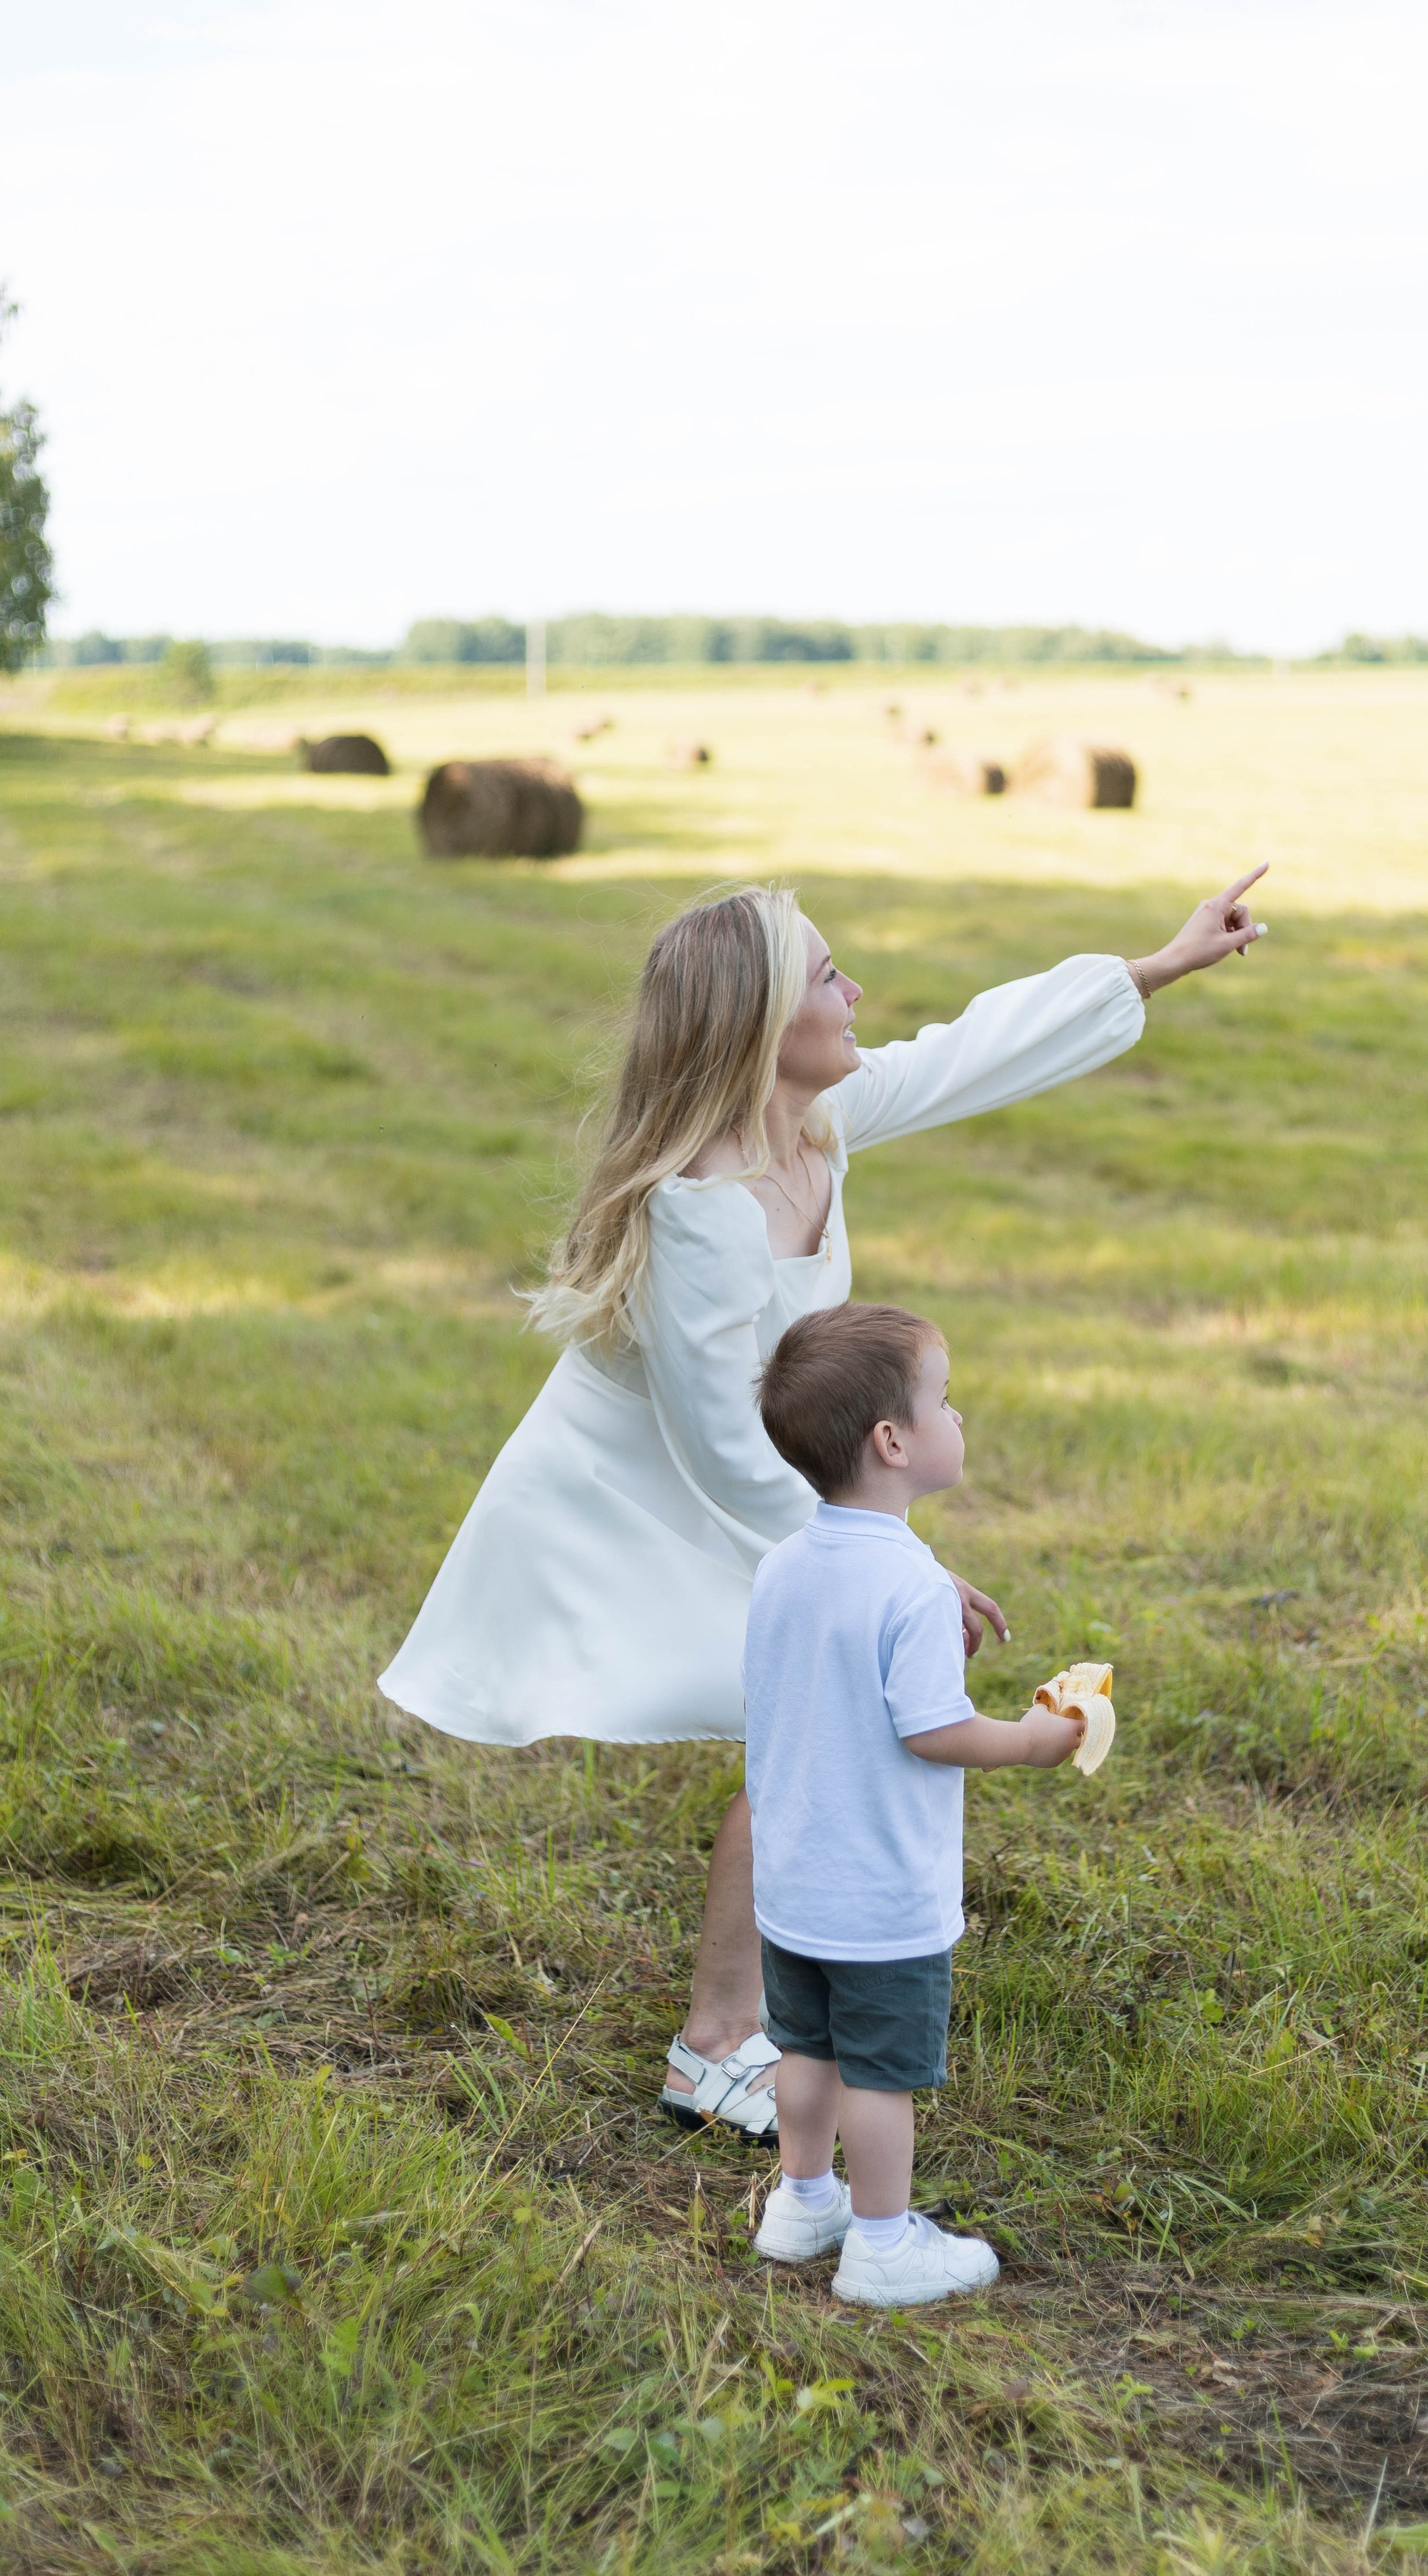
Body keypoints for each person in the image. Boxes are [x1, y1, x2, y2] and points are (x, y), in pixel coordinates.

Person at [378, 869, 1268, 2138]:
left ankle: (772, 2008)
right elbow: (719, 1447)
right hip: (635, 1500)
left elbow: (965, 1053)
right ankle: (718, 2042)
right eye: (829, 974)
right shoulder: (700, 1209)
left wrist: (1155, 966)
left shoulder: (817, 1123)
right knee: (815, 1717)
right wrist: (889, 1566)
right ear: (757, 1023)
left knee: (810, 1724)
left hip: (759, 1479)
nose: (857, 992)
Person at [747, 1302, 1085, 2305]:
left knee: (805, 2050)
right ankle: (883, 2246)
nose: (960, 1415)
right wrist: (1031, 1741)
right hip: (881, 1896)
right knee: (880, 2076)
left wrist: (934, 1581)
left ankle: (801, 2202)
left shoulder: (784, 1564)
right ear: (894, 1442)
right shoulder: (911, 1591)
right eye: (946, 1398)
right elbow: (934, 1730)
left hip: (795, 1883)